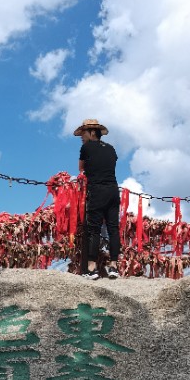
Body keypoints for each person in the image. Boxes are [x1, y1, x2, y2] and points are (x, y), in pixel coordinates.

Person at [74, 118, 121, 280]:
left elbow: (81, 168)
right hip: (114, 191)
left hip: (97, 190)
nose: (81, 136)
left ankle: (92, 268)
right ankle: (114, 267)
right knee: (113, 229)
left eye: (83, 133)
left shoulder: (86, 147)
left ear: (92, 132)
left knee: (93, 229)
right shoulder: (111, 148)